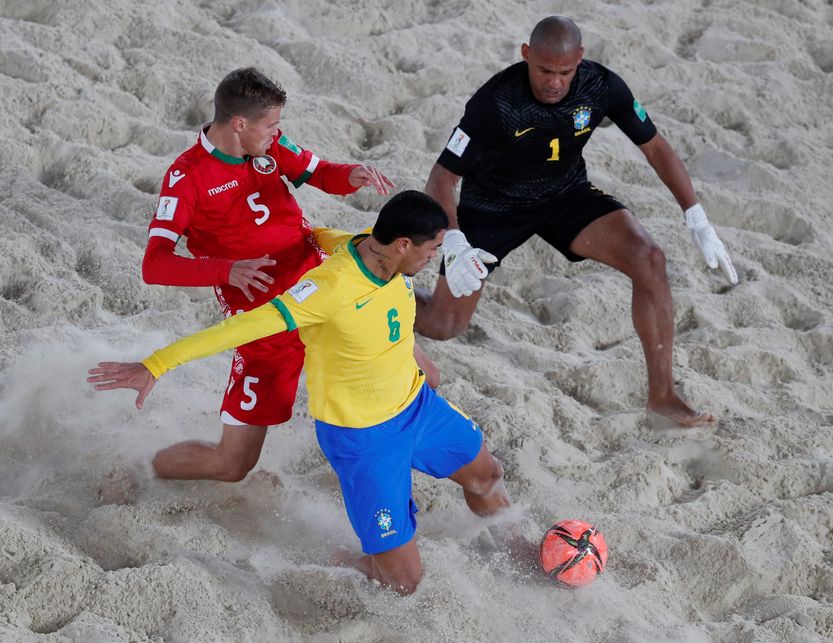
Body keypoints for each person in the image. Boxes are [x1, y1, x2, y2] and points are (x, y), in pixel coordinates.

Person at [89, 191, 510, 595]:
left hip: (417, 406)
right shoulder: (329, 290)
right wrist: (157, 363)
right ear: (402, 244)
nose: (434, 257)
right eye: (432, 249)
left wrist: (419, 355)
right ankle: (350, 560)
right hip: (365, 438)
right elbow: (239, 328)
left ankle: (514, 551)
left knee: (488, 475)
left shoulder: (375, 246)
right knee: (403, 583)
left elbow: (322, 235)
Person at [415, 16, 738, 427]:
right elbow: (441, 177)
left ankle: (663, 397)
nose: (554, 82)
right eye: (544, 70)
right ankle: (392, 295)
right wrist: (455, 241)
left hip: (565, 195)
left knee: (649, 258)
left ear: (580, 60)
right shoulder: (494, 101)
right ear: (526, 55)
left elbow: (655, 147)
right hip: (494, 207)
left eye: (564, 72)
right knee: (444, 326)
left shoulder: (601, 86)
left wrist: (697, 218)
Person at [140, 66, 401, 483]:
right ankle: (140, 467)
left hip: (321, 287)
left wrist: (352, 175)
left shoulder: (269, 141)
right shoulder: (185, 177)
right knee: (234, 465)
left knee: (417, 373)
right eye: (271, 125)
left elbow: (320, 172)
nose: (277, 133)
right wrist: (226, 270)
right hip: (264, 323)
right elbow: (153, 265)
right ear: (239, 125)